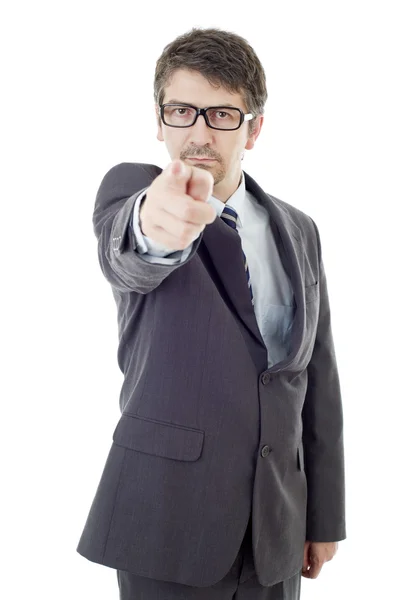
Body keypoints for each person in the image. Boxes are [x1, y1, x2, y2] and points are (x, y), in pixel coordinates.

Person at [76, 27, 346, 600]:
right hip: (167, 520)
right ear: (160, 120)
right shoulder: (132, 192)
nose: (199, 133)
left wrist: (324, 517)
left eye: (222, 114)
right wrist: (157, 227)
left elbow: (315, 377)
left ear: (254, 128)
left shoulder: (299, 229)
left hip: (277, 527)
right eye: (182, 111)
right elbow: (130, 253)